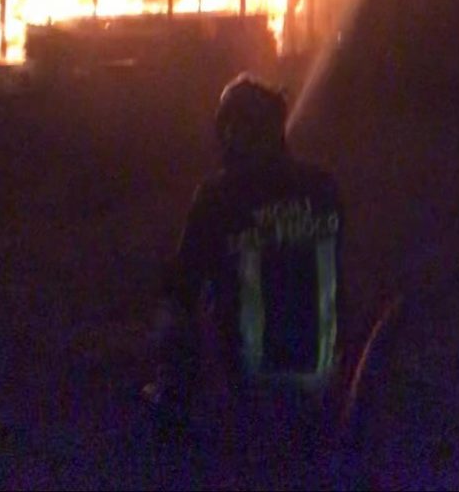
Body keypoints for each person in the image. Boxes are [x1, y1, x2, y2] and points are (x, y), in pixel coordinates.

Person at [143, 73, 347, 479]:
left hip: (252, 378)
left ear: (230, 133)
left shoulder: (217, 197)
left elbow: (183, 285)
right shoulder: (325, 187)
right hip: (324, 372)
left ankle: (172, 405)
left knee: (176, 307)